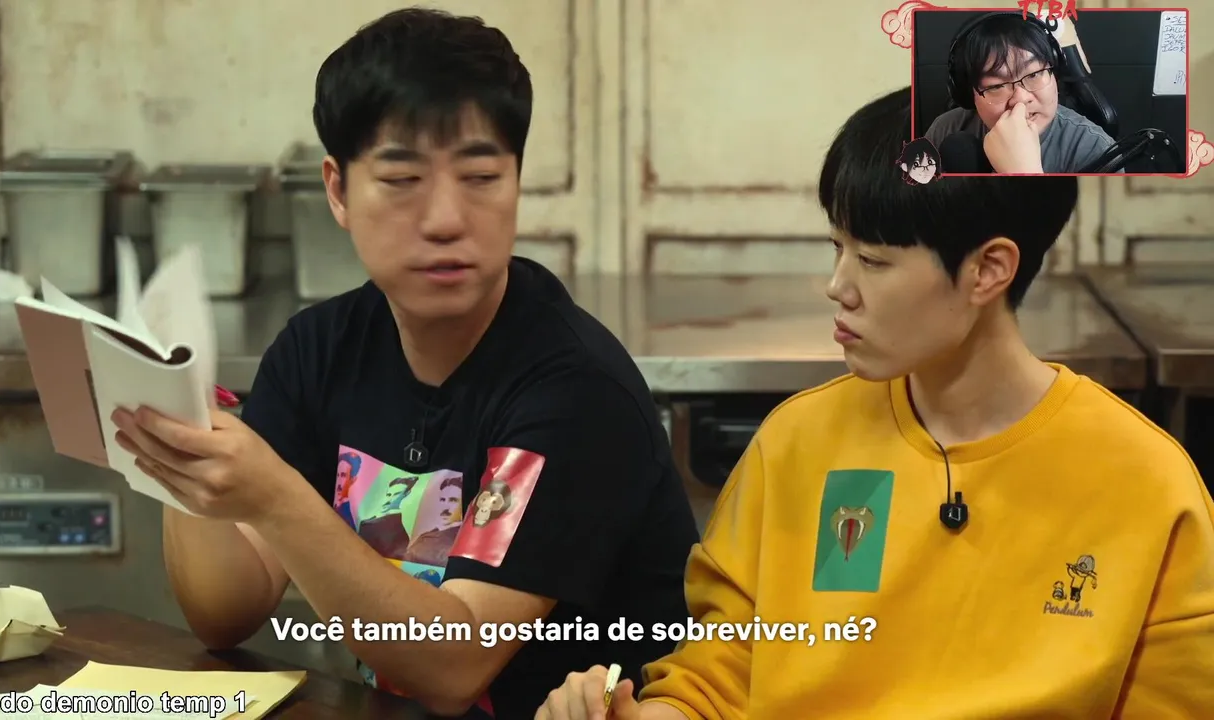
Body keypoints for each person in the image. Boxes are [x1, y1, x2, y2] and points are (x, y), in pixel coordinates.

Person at [536, 86, 1214, 718]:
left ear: (988, 269)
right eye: (839, 248)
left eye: (874, 260)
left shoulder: (1144, 483)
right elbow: (717, 680)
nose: (838, 286)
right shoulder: (798, 444)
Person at [110, 8, 698, 718]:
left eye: (481, 176)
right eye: (402, 179)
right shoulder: (318, 349)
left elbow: (455, 664)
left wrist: (276, 497)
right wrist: (185, 450)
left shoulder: (575, 390)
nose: (446, 218)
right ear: (338, 191)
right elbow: (223, 613)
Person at [923, 12, 1113, 174]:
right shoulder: (945, 130)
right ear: (968, 95)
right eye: (996, 86)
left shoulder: (1095, 150)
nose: (1021, 99)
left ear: (1054, 73)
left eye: (1034, 74)